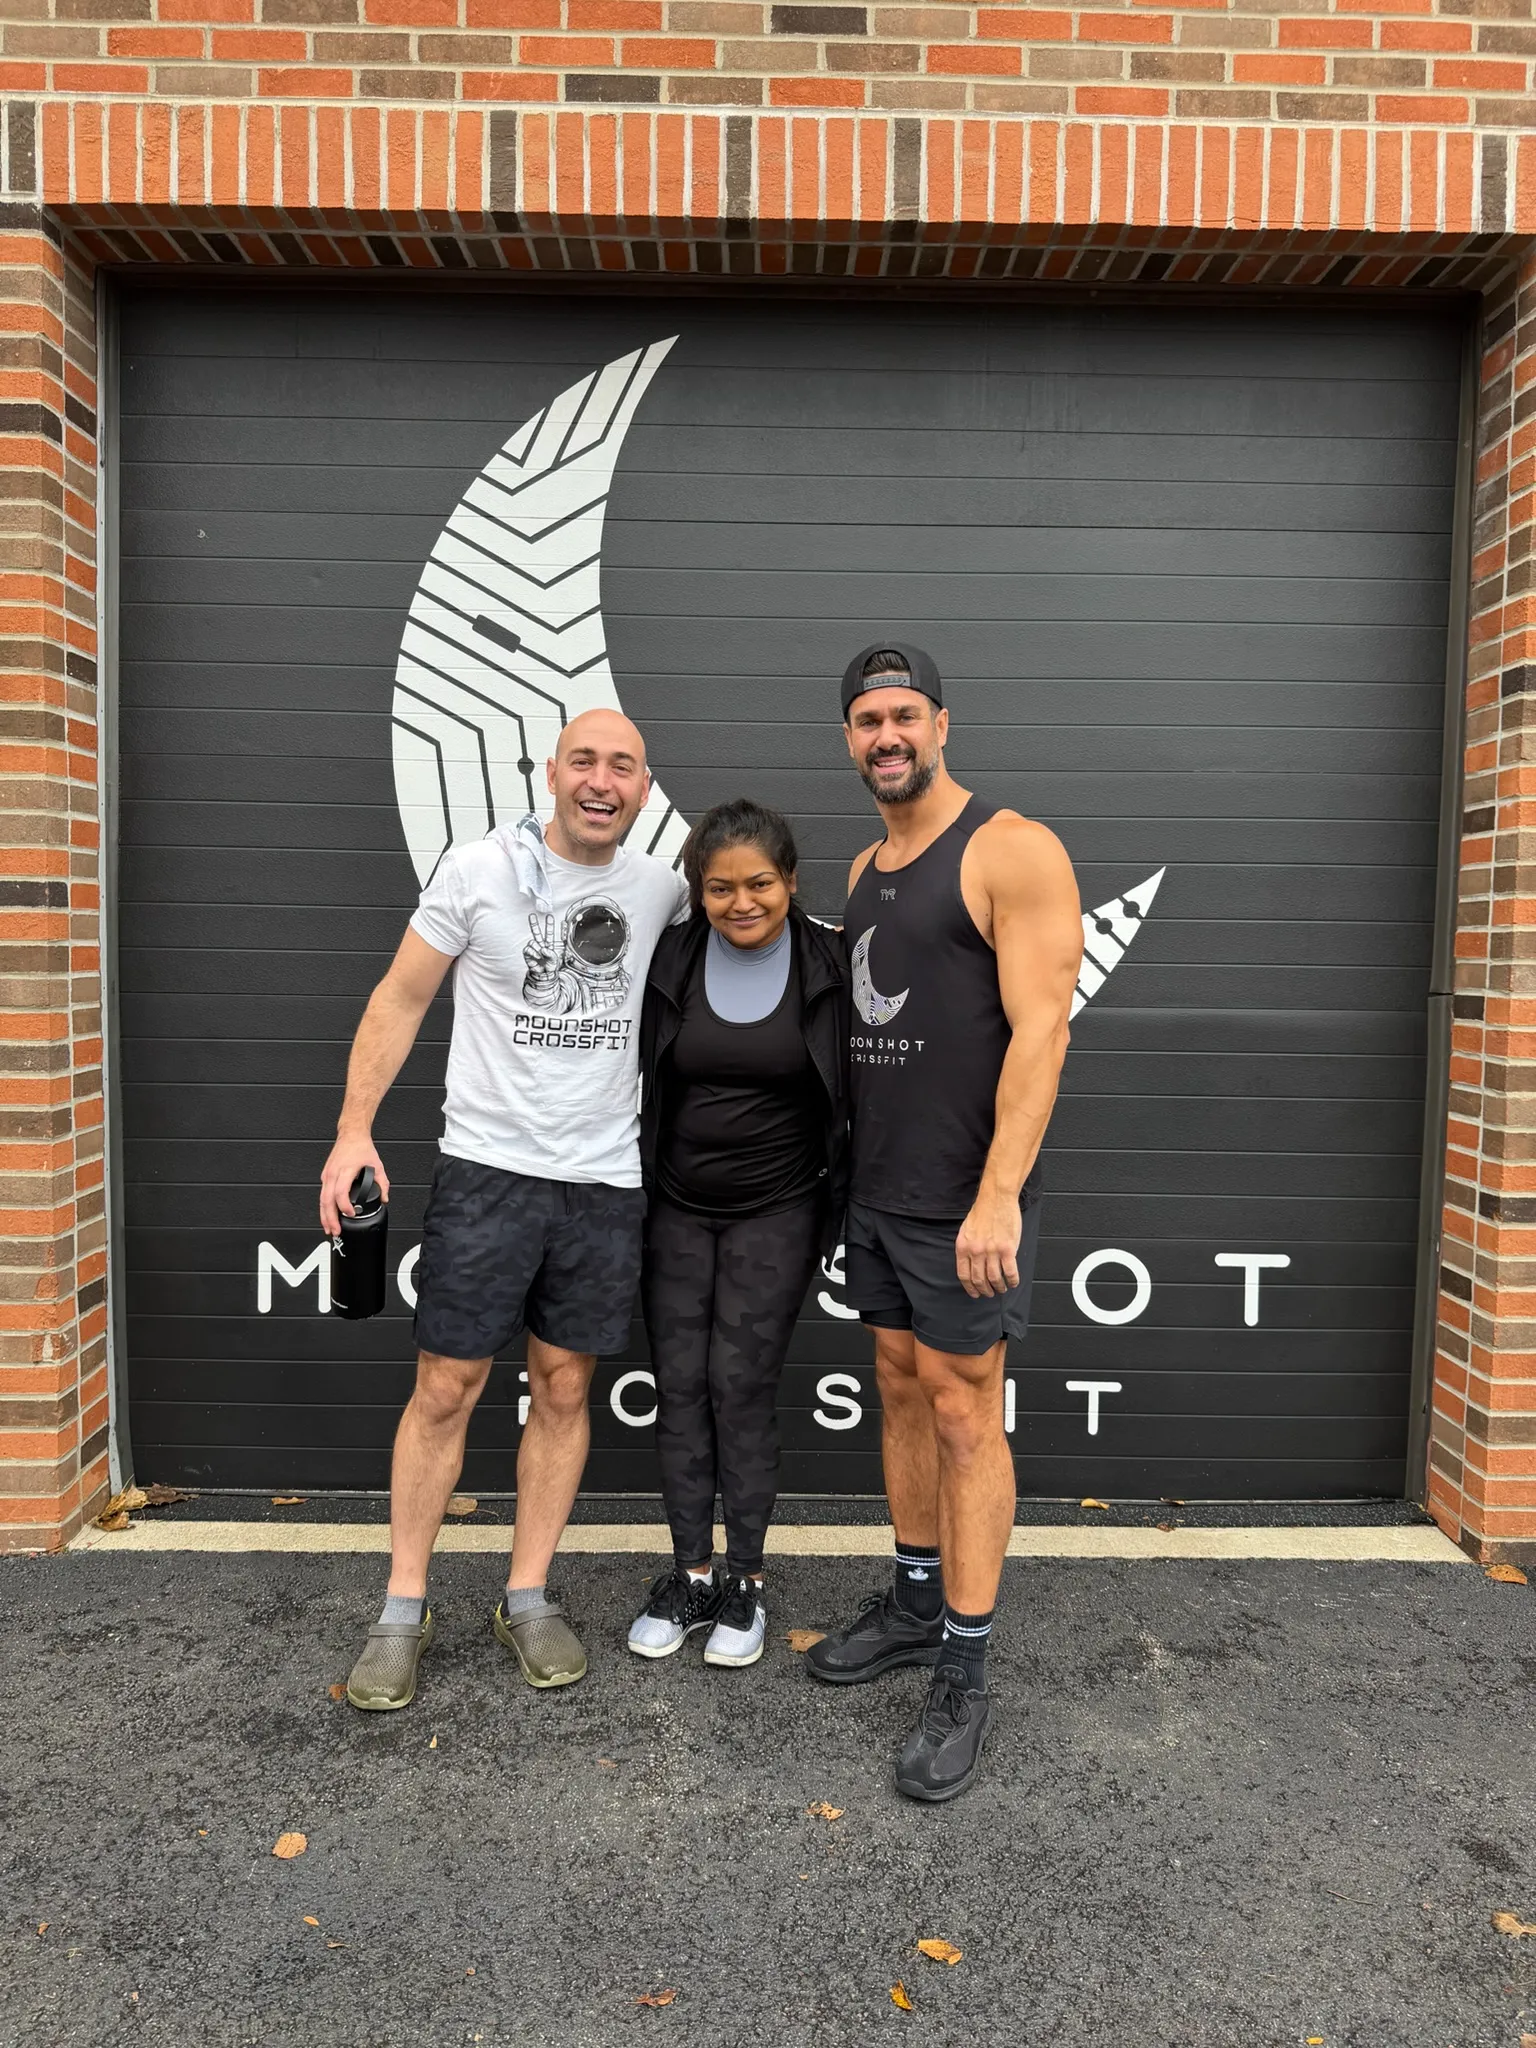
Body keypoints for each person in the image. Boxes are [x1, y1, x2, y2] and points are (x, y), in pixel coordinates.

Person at [320, 709, 687, 1711]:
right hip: (488, 1172)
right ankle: (402, 1609)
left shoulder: (661, 889)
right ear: (551, 771)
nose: (602, 781)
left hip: (603, 1180)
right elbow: (400, 998)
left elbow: (758, 933)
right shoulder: (477, 869)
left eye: (623, 766)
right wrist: (353, 1131)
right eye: (585, 761)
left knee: (564, 1388)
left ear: (644, 788)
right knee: (446, 1387)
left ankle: (526, 1595)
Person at [806, 643, 1083, 1804]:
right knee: (901, 1386)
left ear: (942, 724)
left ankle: (965, 1668)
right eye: (868, 719)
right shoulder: (867, 865)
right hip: (878, 1192)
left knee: (967, 1411)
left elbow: (1043, 1031)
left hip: (966, 1201)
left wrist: (999, 1192)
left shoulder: (1011, 849)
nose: (888, 735)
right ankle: (917, 1602)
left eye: (905, 714)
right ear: (850, 737)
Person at [629, 800, 850, 1669]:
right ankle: (691, 1575)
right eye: (720, 888)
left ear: (790, 881)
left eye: (760, 883)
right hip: (676, 1206)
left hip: (780, 1208)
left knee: (739, 1385)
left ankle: (746, 1581)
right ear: (698, 892)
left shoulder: (830, 962)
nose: (741, 902)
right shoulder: (670, 957)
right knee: (681, 1384)